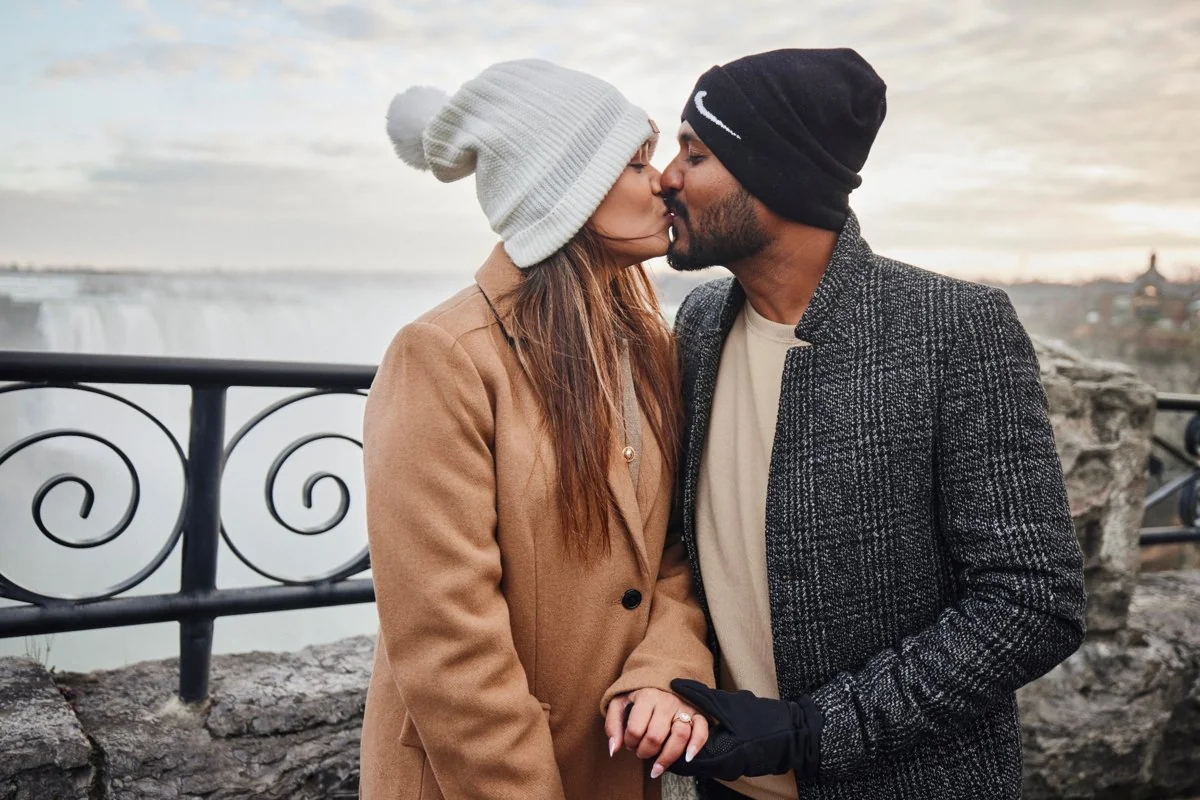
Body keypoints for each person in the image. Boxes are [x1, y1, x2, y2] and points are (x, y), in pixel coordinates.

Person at [645, 48, 1087, 799]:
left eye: (697, 152)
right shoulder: (700, 323)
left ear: (774, 175)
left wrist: (814, 730)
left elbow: (1034, 600)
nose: (666, 177)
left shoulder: (952, 328)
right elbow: (684, 546)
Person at [359, 59, 715, 800]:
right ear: (567, 189)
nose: (660, 182)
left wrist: (664, 670)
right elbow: (445, 636)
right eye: (634, 162)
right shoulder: (442, 356)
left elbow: (677, 546)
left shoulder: (648, 346)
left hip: (613, 768)